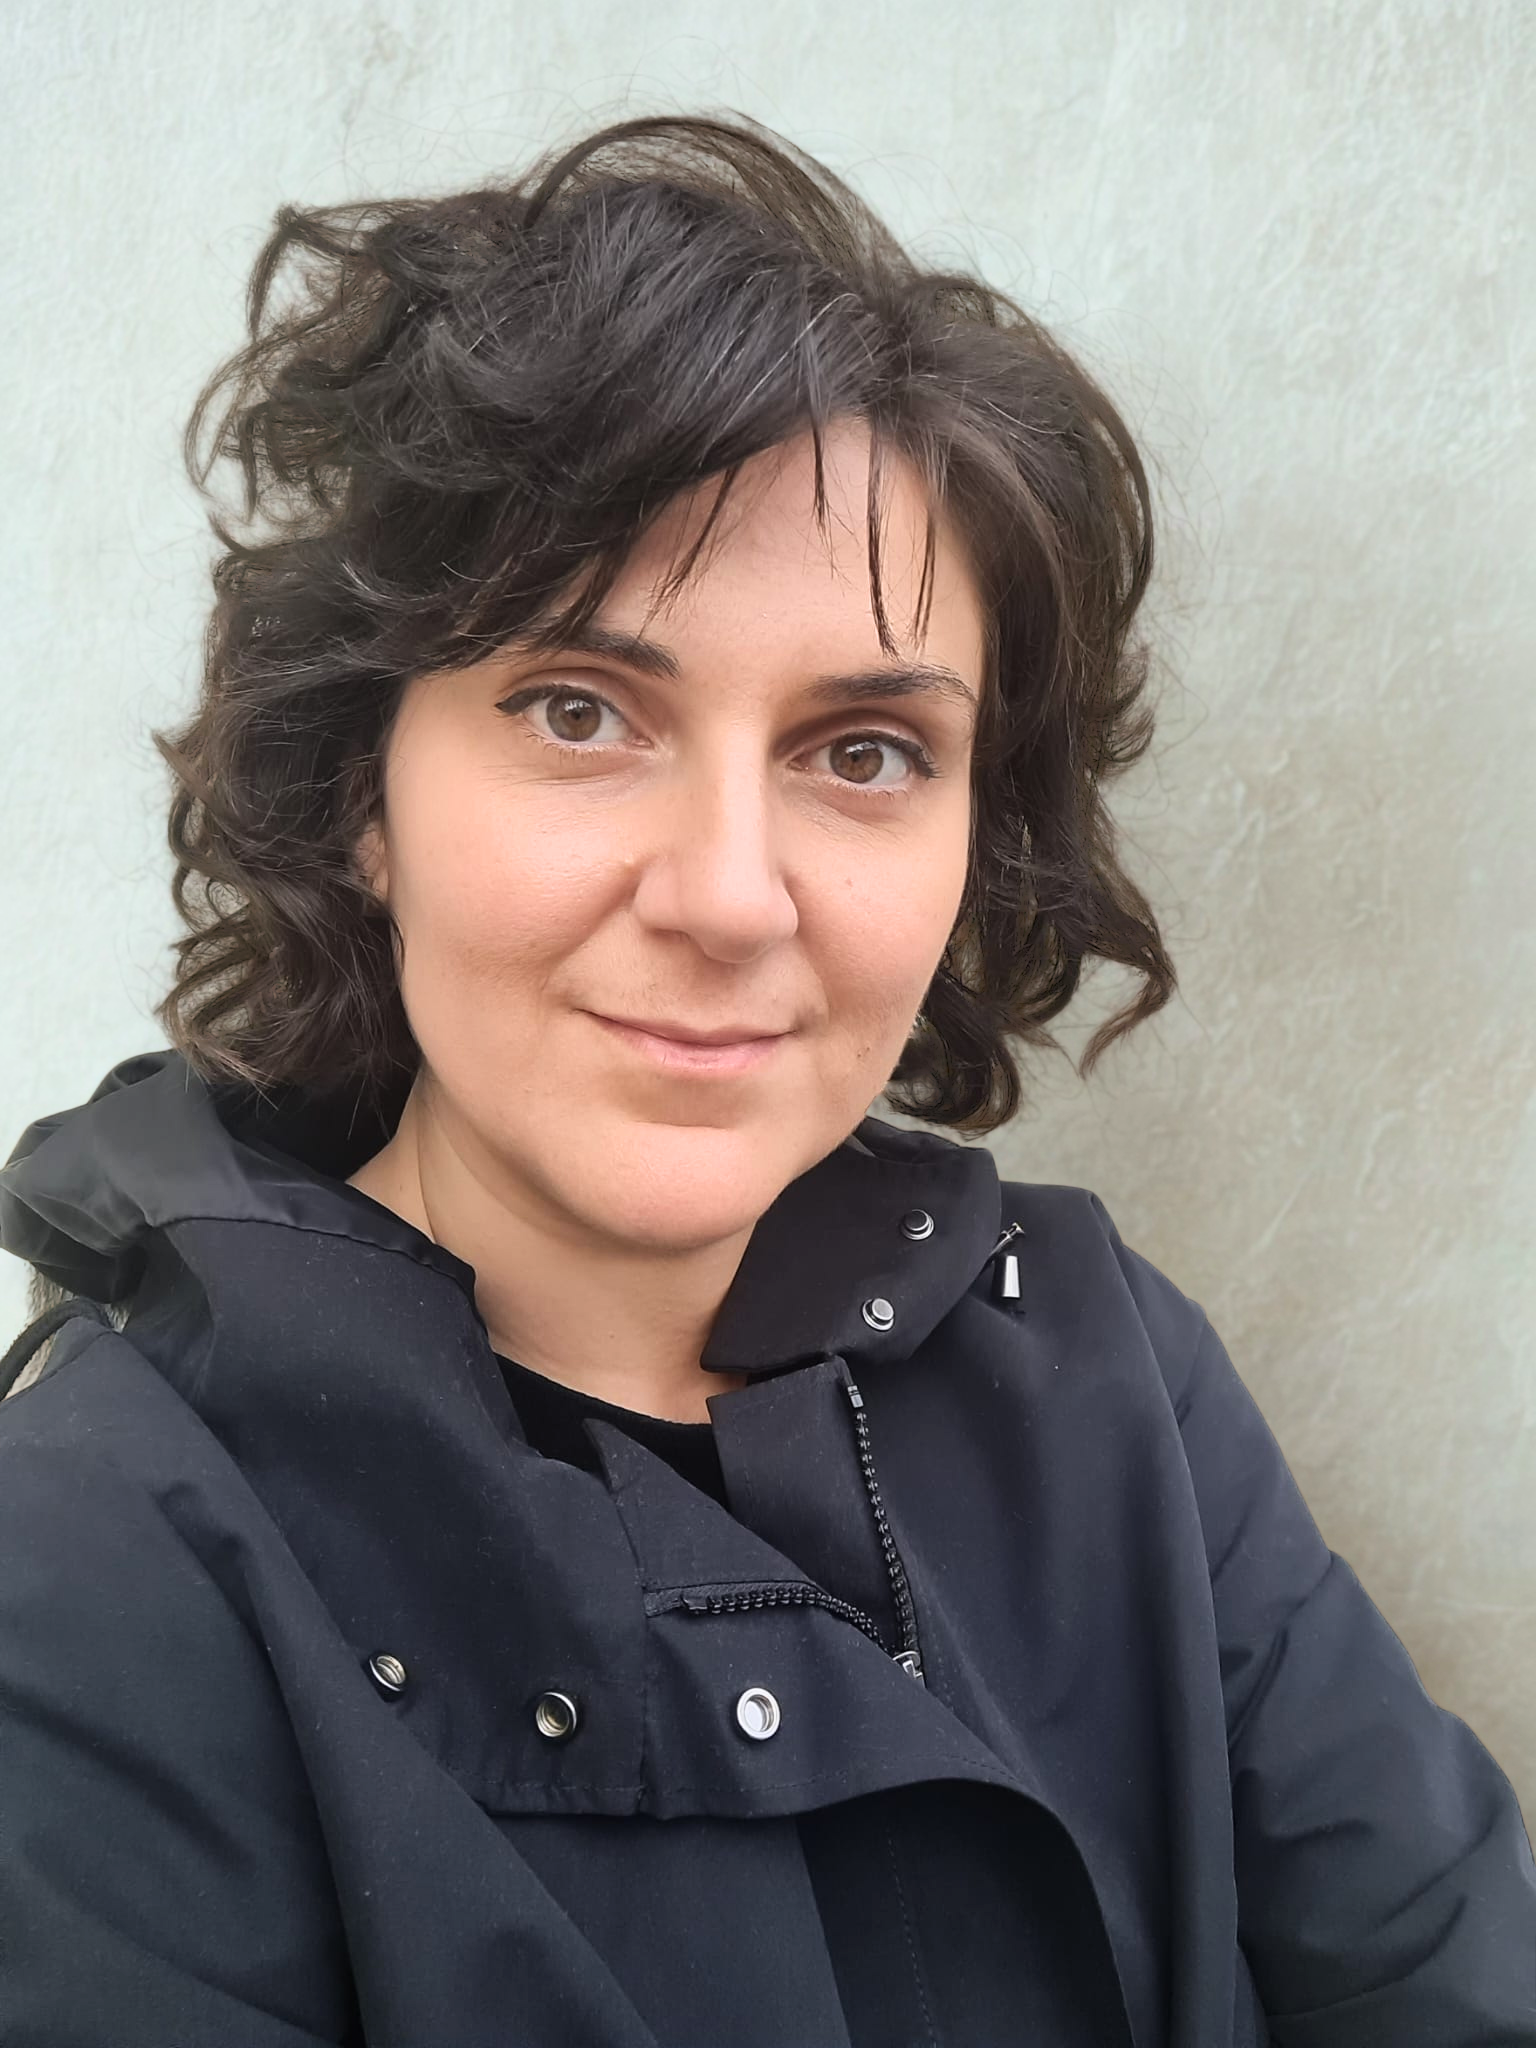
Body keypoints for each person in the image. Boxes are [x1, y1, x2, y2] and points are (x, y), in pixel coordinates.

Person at [0, 110, 1530, 2048]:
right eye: (581, 710)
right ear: (358, 796)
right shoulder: (91, 1566)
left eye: (866, 748)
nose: (730, 894)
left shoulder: (1107, 1373)